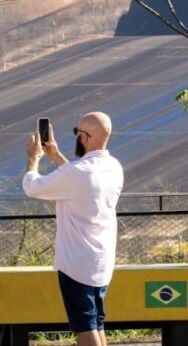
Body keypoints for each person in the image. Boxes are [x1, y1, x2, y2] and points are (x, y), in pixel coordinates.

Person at [22, 112, 123, 346]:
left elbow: (32, 187)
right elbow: (80, 181)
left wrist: (33, 159)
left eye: (77, 133)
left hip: (76, 263)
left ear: (85, 137)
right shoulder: (114, 167)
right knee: (96, 321)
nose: (76, 137)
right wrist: (57, 157)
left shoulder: (76, 172)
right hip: (102, 260)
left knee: (85, 327)